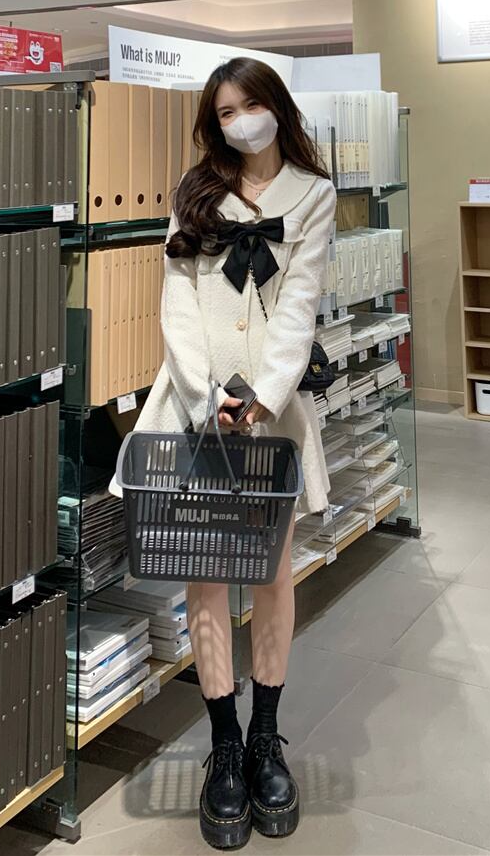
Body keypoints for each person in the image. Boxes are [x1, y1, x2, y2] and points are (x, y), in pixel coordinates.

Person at [131, 57, 337, 849]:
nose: (241, 121)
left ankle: (265, 738)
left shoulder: (313, 196)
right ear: (212, 124)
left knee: (275, 573)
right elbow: (177, 301)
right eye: (225, 112)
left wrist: (264, 394)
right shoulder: (194, 193)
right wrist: (205, 390)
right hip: (195, 412)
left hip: (271, 419)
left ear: (275, 108)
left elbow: (300, 306)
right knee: (207, 571)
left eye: (251, 105)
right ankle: (223, 742)